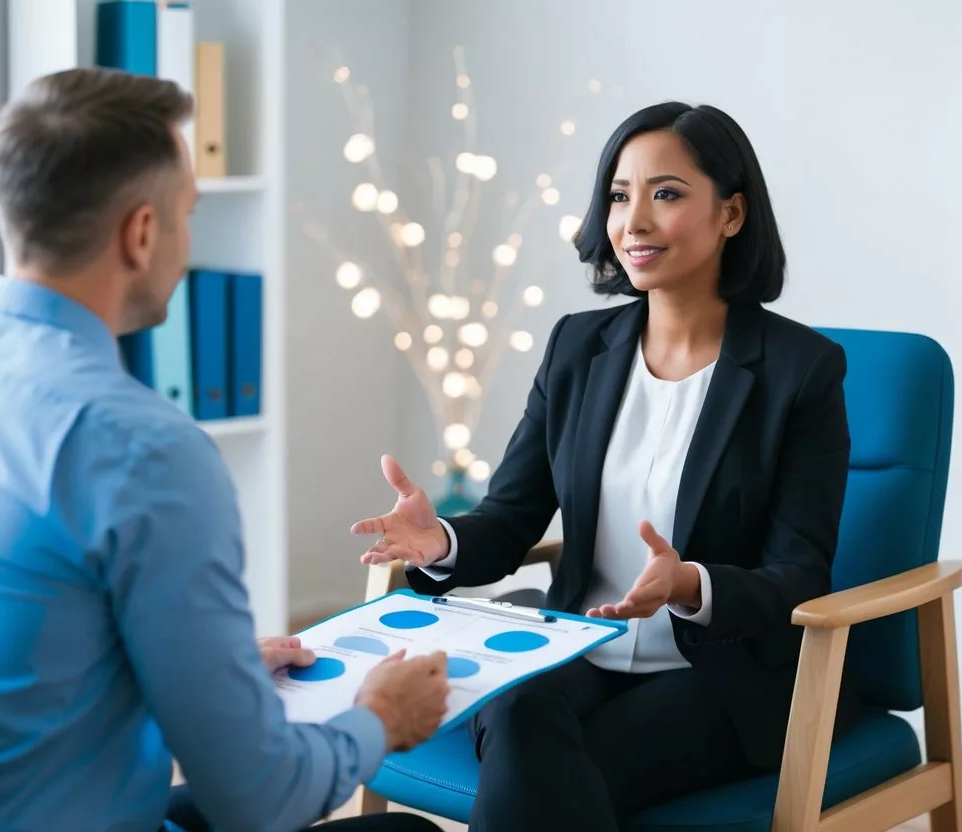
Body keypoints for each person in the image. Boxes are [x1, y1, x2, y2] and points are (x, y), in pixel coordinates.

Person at [0, 67, 448, 832]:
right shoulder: (146, 449)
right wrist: (377, 718)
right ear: (141, 233)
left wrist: (213, 673)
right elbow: (260, 801)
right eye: (186, 215)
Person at [351, 101, 863, 831]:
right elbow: (512, 515)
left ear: (731, 213)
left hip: (717, 675)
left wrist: (690, 582)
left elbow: (799, 574)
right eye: (619, 195)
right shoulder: (576, 349)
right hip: (574, 647)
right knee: (521, 708)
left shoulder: (800, 371)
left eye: (666, 193)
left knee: (551, 771)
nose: (633, 221)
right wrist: (442, 544)